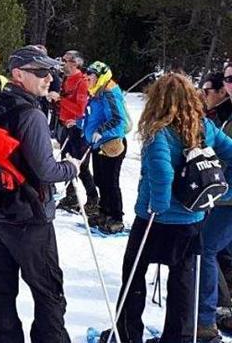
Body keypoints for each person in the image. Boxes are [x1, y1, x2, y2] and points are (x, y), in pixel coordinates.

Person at [98, 73, 232, 343]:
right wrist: (221, 186)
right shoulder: (203, 126)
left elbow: (161, 172)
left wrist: (157, 205)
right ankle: (178, 336)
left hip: (154, 220)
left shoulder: (159, 131)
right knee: (182, 280)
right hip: (192, 218)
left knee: (134, 276)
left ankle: (128, 334)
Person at [0, 45, 78, 342]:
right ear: (18, 74)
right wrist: (70, 168)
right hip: (29, 219)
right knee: (48, 293)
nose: (49, 79)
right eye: (41, 72)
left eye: (50, 72)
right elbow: (46, 171)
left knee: (1, 292)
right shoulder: (30, 113)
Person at [198, 68, 232, 340]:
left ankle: (205, 321)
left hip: (226, 198)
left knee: (205, 248)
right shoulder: (224, 113)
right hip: (221, 194)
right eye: (229, 78)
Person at [80, 61, 130, 234]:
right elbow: (92, 115)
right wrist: (79, 124)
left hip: (111, 145)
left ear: (100, 76)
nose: (87, 78)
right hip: (98, 144)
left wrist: (101, 131)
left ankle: (116, 217)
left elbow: (118, 120)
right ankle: (104, 211)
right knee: (101, 180)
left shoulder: (109, 93)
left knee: (111, 182)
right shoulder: (96, 93)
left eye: (91, 76)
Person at [55, 50, 99, 214]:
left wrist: (60, 100)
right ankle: (71, 195)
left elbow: (80, 110)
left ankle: (93, 198)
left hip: (78, 128)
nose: (62, 63)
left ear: (75, 63)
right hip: (65, 125)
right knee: (66, 160)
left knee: (81, 164)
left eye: (65, 60)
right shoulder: (66, 79)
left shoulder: (81, 82)